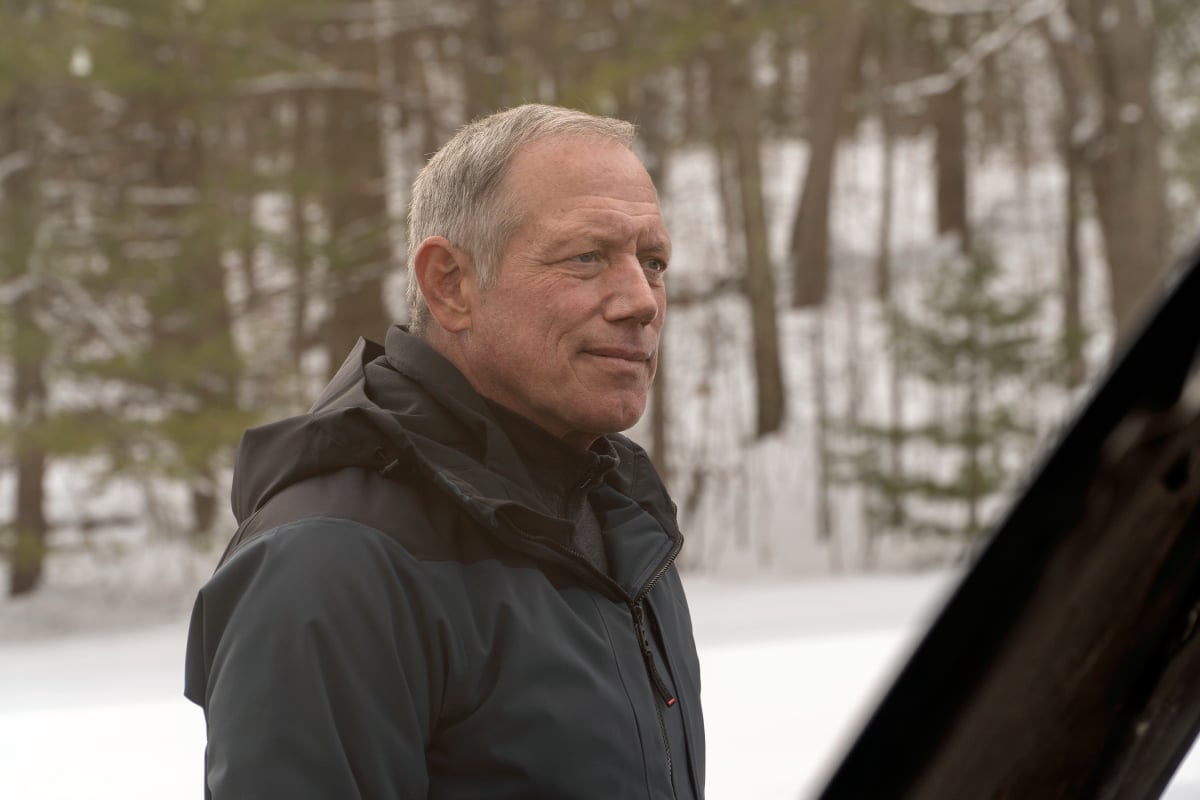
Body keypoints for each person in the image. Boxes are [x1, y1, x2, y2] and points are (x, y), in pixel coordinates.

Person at [184, 103, 705, 799]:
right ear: (450, 284)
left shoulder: (620, 523)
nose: (641, 301)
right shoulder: (334, 559)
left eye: (654, 261)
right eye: (587, 257)